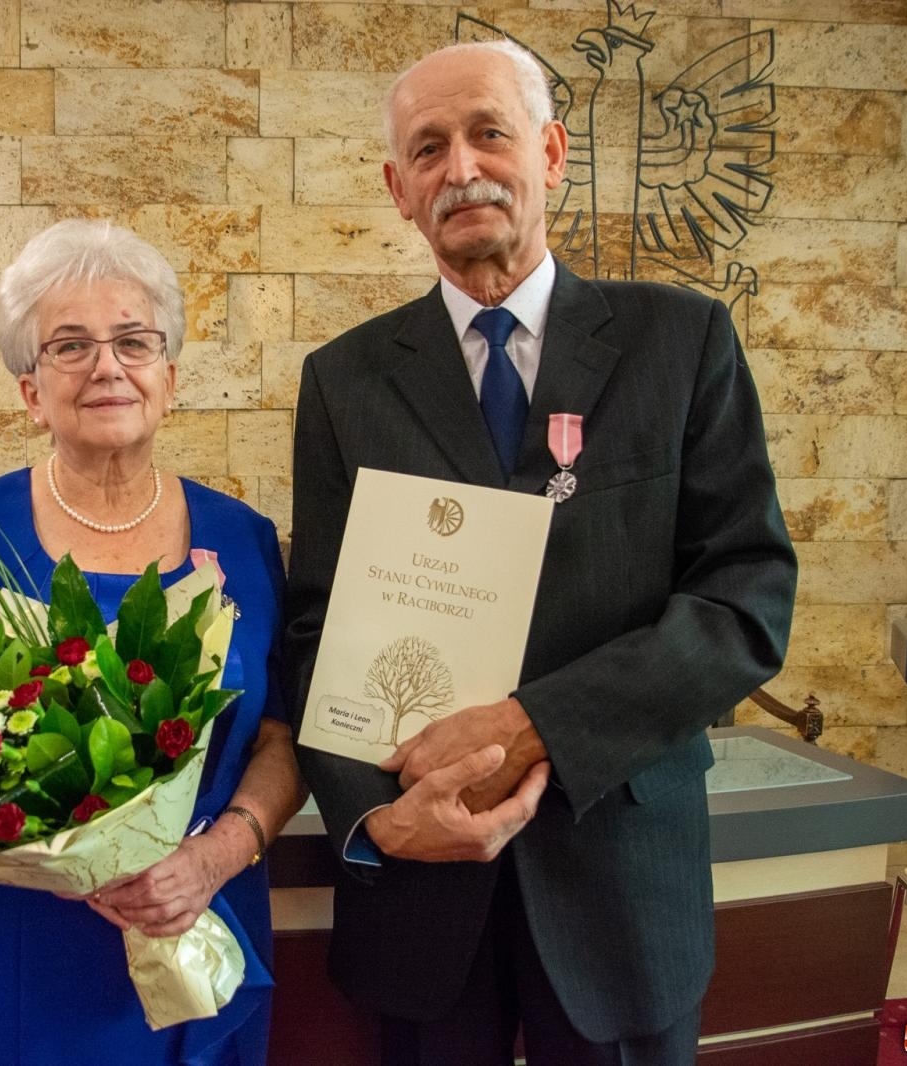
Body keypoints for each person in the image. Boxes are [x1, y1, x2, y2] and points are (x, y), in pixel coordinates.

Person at [283, 40, 798, 1066]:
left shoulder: (680, 343)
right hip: (425, 899)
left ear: (552, 152)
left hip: (619, 885)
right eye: (427, 148)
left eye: (488, 133)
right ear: (397, 189)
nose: (460, 168)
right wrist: (381, 822)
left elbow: (743, 599)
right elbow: (315, 628)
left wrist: (535, 726)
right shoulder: (344, 383)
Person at [0, 219, 303, 1066]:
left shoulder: (243, 538)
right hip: (24, 945)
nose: (106, 366)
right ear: (29, 389)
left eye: (133, 341)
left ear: (170, 377)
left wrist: (211, 858)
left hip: (200, 920)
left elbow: (281, 735)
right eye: (69, 346)